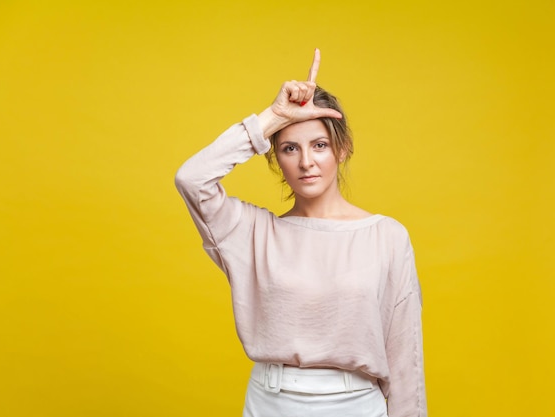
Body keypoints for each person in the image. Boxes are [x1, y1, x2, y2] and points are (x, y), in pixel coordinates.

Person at [175, 49, 427, 417]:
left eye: (320, 146)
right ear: (275, 157)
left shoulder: (387, 237)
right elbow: (192, 179)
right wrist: (273, 118)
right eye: (289, 148)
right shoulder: (253, 233)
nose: (306, 162)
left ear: (342, 150)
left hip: (356, 405)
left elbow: (406, 357)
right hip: (272, 403)